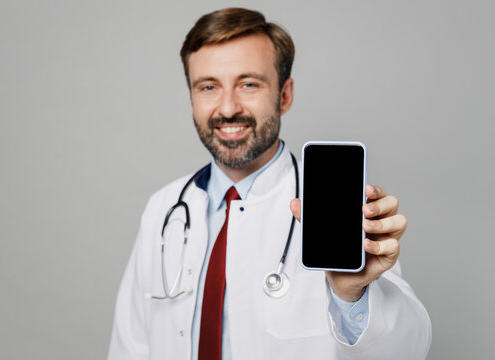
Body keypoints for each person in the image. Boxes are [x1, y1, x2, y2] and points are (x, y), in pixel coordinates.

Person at [108, 7, 431, 360]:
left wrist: (352, 296)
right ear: (191, 97)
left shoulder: (337, 206)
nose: (228, 108)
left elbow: (406, 351)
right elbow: (129, 347)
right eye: (208, 87)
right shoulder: (163, 209)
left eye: (248, 84)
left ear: (285, 95)